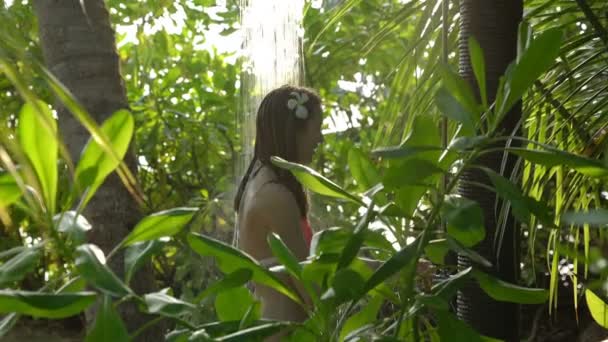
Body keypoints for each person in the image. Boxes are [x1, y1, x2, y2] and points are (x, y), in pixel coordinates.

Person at [233, 85, 323, 325]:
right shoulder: (274, 195)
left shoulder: (258, 182)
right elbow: (310, 287)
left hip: (274, 324)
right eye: (317, 129)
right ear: (294, 131)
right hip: (282, 330)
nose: (320, 139)